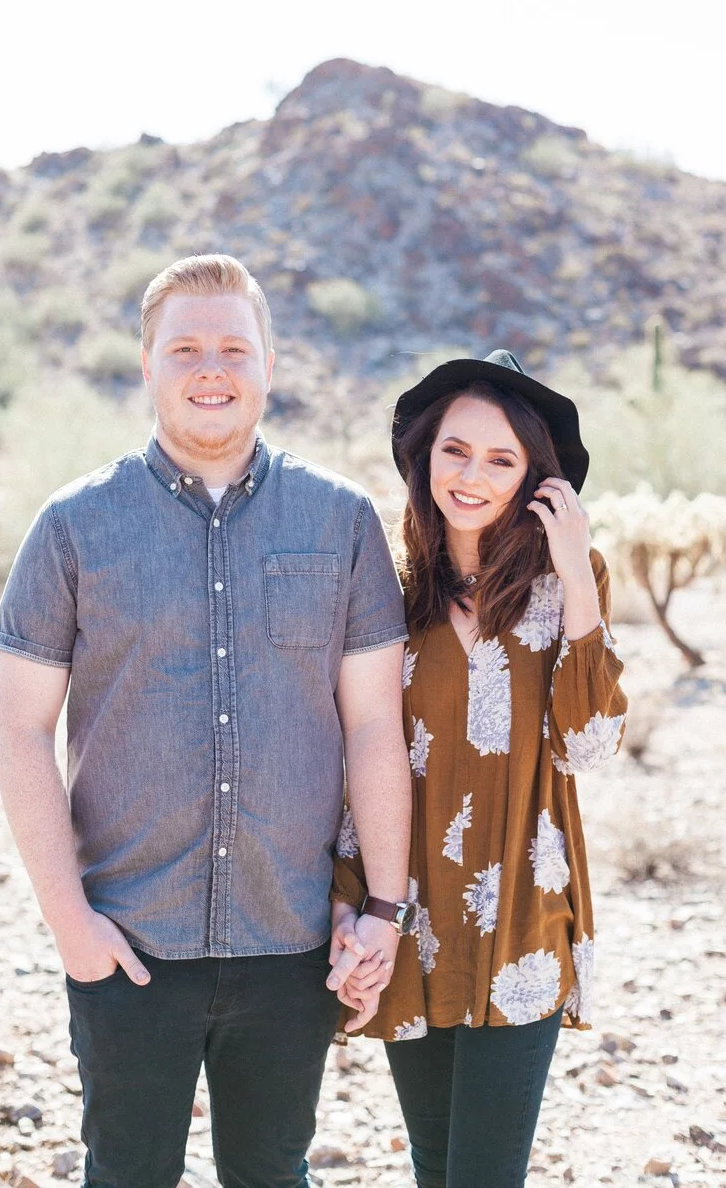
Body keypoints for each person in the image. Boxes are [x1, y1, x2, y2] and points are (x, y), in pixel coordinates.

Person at [0, 254, 412, 1188]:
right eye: (185, 347)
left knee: (272, 1173)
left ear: (270, 362)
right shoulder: (71, 526)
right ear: (147, 364)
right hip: (128, 940)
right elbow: (19, 729)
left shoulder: (340, 520)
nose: (210, 366)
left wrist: (383, 906)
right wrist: (69, 923)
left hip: (293, 942)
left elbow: (376, 724)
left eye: (233, 345)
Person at [333, 350, 628, 1188]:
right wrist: (351, 903)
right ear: (424, 456)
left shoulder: (567, 584)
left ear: (536, 477)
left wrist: (575, 574)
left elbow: (591, 748)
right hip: (410, 918)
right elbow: (357, 754)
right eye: (455, 450)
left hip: (524, 925)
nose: (473, 475)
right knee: (436, 1169)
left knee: (484, 1176)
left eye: (502, 459)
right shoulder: (383, 591)